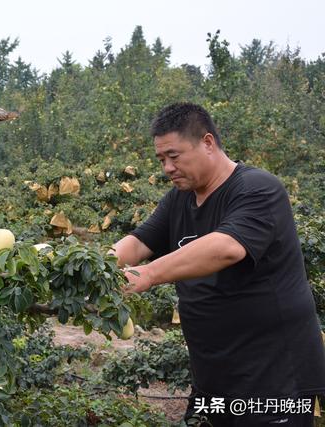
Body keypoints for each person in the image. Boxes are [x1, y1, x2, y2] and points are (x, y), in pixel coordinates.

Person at [112, 103, 325, 426]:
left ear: (207, 143)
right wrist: (90, 267)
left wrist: (148, 274)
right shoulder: (178, 198)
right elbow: (140, 242)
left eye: (174, 155)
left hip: (274, 380)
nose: (167, 168)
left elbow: (226, 247)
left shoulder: (258, 189)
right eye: (161, 160)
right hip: (215, 377)